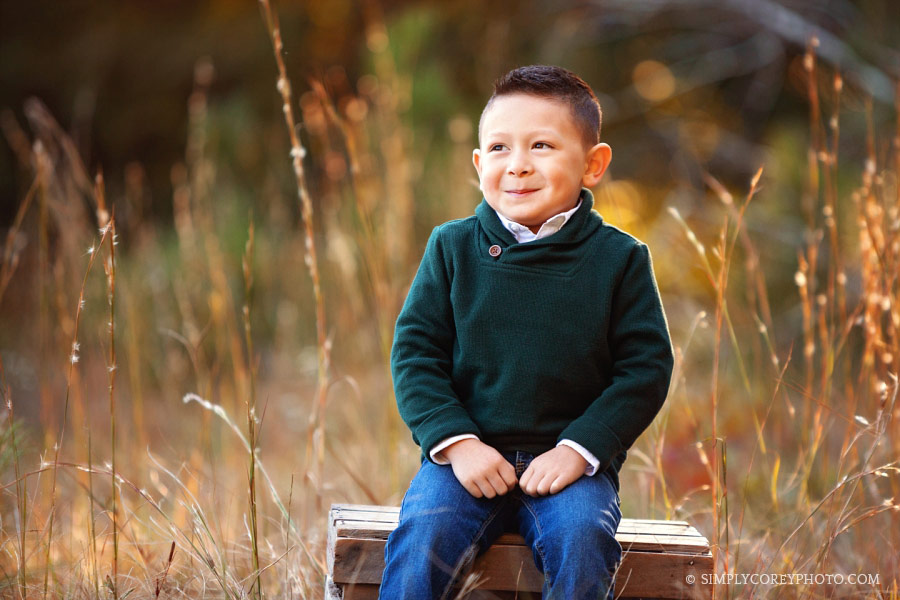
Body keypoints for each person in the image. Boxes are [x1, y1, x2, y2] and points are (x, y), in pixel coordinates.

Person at [380, 64, 674, 600]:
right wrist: (459, 443)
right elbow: (416, 354)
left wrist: (581, 449)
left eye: (541, 146)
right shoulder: (451, 247)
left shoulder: (620, 259)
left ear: (593, 164)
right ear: (478, 163)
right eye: (498, 149)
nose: (517, 166)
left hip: (570, 469)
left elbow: (645, 369)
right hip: (465, 462)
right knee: (422, 535)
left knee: (582, 539)